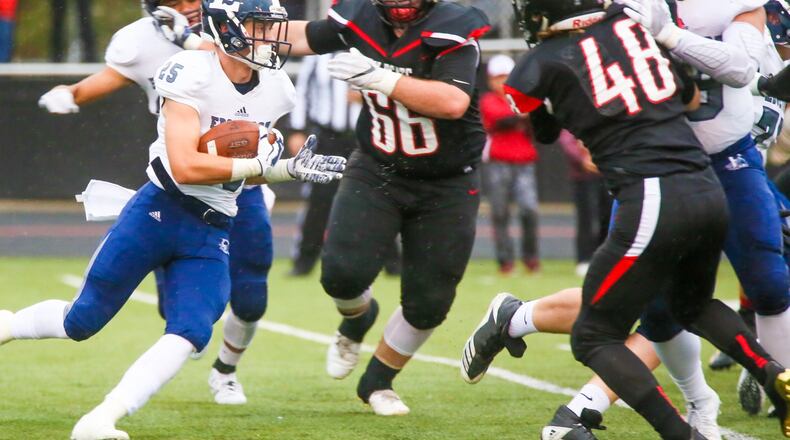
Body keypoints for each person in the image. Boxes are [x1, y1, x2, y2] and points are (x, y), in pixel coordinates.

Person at [0, 1, 345, 439]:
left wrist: (284, 169)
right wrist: (262, 165)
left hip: (215, 224)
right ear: (228, 30)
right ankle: (8, 324)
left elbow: (248, 162)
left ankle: (102, 418)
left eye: (270, 27)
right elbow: (185, 165)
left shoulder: (278, 88)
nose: (269, 38)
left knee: (191, 330)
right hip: (159, 211)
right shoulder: (189, 71)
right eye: (257, 27)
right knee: (81, 321)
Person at [463, 1, 790, 439]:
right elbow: (689, 95)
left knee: (594, 335)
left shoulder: (536, 66)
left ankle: (680, 433)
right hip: (706, 187)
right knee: (687, 305)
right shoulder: (629, 26)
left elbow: (541, 130)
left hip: (651, 193)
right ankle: (773, 374)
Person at [37, 0, 278, 406]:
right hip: (181, 183)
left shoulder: (243, 35)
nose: (186, 6)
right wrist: (71, 92)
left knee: (251, 293)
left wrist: (267, 164)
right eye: (174, 0)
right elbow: (113, 79)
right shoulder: (144, 44)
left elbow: (241, 64)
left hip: (238, 190)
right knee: (160, 314)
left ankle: (226, 372)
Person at [283, 0, 490, 415]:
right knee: (341, 274)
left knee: (429, 302)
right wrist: (224, 33)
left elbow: (451, 101)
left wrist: (379, 78)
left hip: (447, 181)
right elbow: (301, 35)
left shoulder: (453, 30)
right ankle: (358, 320)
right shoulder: (360, 20)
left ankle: (378, 381)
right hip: (378, 167)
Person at [287, 52, 401, 277]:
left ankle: (393, 262)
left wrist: (367, 96)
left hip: (366, 135)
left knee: (379, 197)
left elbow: (394, 90)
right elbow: (301, 92)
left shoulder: (371, 50)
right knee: (319, 200)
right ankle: (304, 261)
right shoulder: (318, 55)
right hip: (328, 137)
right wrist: (297, 130)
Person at [480, 53, 540, 275]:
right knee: (500, 212)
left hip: (524, 161)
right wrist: (523, 113)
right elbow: (501, 120)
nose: (503, 81)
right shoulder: (488, 100)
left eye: (507, 76)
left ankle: (531, 258)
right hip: (498, 162)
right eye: (499, 77)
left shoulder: (521, 97)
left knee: (529, 209)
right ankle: (505, 261)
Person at [557, 131, 611, 277]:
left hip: (607, 174)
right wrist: (582, 159)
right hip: (582, 176)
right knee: (585, 217)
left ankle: (604, 258)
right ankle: (584, 259)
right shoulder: (577, 112)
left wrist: (603, 160)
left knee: (607, 217)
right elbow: (566, 137)